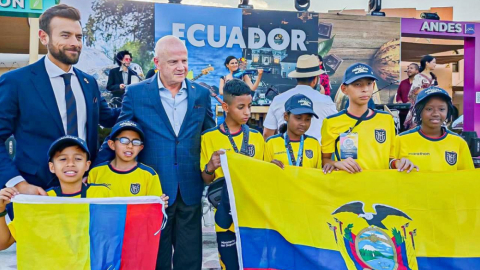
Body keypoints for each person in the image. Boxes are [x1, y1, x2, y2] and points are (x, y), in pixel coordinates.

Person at [94, 35, 215, 270]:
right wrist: (97, 167)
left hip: (190, 188)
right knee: (153, 259)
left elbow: (210, 136)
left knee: (190, 260)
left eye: (184, 61)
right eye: (173, 62)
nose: (181, 67)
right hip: (152, 190)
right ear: (157, 62)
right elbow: (120, 133)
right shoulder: (136, 93)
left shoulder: (201, 94)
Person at [0, 5, 119, 207]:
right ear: (43, 37)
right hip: (36, 193)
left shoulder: (89, 84)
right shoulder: (16, 82)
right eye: (65, 35)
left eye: (79, 37)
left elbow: (111, 119)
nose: (75, 43)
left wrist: (144, 97)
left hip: (84, 193)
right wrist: (17, 183)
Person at [0, 136, 111, 250]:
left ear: (87, 165)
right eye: (63, 159)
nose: (70, 163)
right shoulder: (42, 200)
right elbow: (3, 243)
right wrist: (0, 210)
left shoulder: (101, 194)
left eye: (78, 158)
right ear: (52, 167)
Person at [200, 79, 264, 270]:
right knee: (229, 263)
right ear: (226, 106)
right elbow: (206, 180)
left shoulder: (256, 137)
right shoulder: (209, 138)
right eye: (241, 107)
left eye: (250, 106)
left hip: (253, 213)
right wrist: (210, 166)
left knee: (254, 262)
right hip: (224, 215)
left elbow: (263, 175)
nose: (247, 112)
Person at [321, 63, 418, 174]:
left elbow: (390, 159)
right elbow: (324, 160)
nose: (365, 89)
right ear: (344, 89)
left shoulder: (386, 119)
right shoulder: (331, 122)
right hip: (348, 187)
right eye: (358, 84)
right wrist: (336, 163)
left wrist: (399, 163)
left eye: (369, 83)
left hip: (378, 187)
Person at [88, 121, 168, 204]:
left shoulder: (149, 175)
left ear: (141, 147)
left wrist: (159, 205)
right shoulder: (96, 172)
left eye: (135, 142)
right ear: (112, 144)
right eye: (124, 140)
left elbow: (154, 210)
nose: (130, 146)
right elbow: (87, 206)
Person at [395, 87, 474, 171]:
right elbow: (389, 169)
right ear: (419, 111)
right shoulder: (401, 140)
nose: (436, 114)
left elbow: (468, 178)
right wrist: (397, 163)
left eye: (441, 109)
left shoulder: (459, 143)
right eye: (429, 109)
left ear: (448, 111)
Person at [263, 54, 337, 142]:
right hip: (315, 153)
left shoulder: (278, 99)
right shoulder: (326, 101)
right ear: (315, 80)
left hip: (284, 152)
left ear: (297, 78)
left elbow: (267, 134)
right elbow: (336, 129)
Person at [265, 94, 331, 170]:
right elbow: (263, 174)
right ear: (286, 116)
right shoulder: (271, 143)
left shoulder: (314, 143)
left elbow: (318, 174)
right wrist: (270, 167)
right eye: (298, 118)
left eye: (307, 119)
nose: (303, 123)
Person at [404, 55, 437, 130]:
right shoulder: (418, 77)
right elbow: (415, 91)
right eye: (434, 62)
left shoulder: (433, 77)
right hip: (421, 105)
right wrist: (430, 90)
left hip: (432, 105)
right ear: (427, 63)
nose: (435, 64)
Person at [396, 63, 420, 131]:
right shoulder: (403, 82)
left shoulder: (419, 84)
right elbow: (398, 94)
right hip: (403, 113)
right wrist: (399, 101)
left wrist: (412, 101)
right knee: (403, 132)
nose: (409, 70)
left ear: (417, 71)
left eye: (411, 68)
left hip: (415, 114)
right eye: (408, 68)